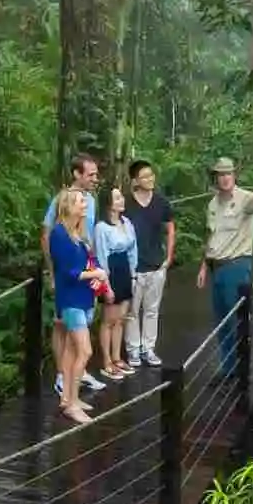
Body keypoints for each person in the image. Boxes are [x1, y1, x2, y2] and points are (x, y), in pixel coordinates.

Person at [196, 157, 253, 374]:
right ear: (215, 177)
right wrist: (203, 267)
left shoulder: (244, 198)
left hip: (237, 265)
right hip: (217, 266)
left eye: (228, 174)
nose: (224, 178)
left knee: (236, 320)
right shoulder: (212, 204)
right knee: (222, 320)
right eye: (220, 174)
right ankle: (228, 368)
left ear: (234, 175)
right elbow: (210, 236)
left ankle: (241, 369)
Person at [41, 152, 106, 394]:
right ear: (77, 174)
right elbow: (47, 235)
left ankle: (78, 373)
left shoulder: (91, 200)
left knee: (81, 326)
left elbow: (86, 235)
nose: (95, 179)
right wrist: (53, 273)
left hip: (85, 269)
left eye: (96, 174)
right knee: (62, 324)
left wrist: (95, 268)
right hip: (67, 273)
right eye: (90, 174)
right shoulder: (62, 200)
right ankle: (61, 375)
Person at [46, 188, 107, 424]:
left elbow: (87, 262)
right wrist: (94, 273)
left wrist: (99, 276)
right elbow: (67, 272)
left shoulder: (78, 234)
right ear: (69, 205)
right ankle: (71, 404)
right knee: (85, 351)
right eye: (81, 202)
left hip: (83, 298)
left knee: (72, 351)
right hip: (70, 300)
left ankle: (69, 398)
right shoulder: (59, 234)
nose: (85, 206)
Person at [122, 160, 175, 367]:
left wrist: (168, 257)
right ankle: (133, 350)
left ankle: (149, 348)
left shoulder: (161, 202)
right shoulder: (126, 203)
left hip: (156, 264)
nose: (149, 179)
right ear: (135, 180)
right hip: (134, 266)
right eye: (144, 176)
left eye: (151, 175)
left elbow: (170, 228)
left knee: (152, 309)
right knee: (132, 311)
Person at [93, 186, 138, 381]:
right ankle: (106, 361)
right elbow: (101, 256)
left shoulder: (126, 222)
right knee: (109, 320)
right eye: (117, 198)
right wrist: (106, 285)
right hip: (110, 270)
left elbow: (133, 248)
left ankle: (117, 357)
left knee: (121, 319)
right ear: (109, 203)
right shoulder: (101, 228)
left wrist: (133, 274)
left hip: (125, 269)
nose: (122, 200)